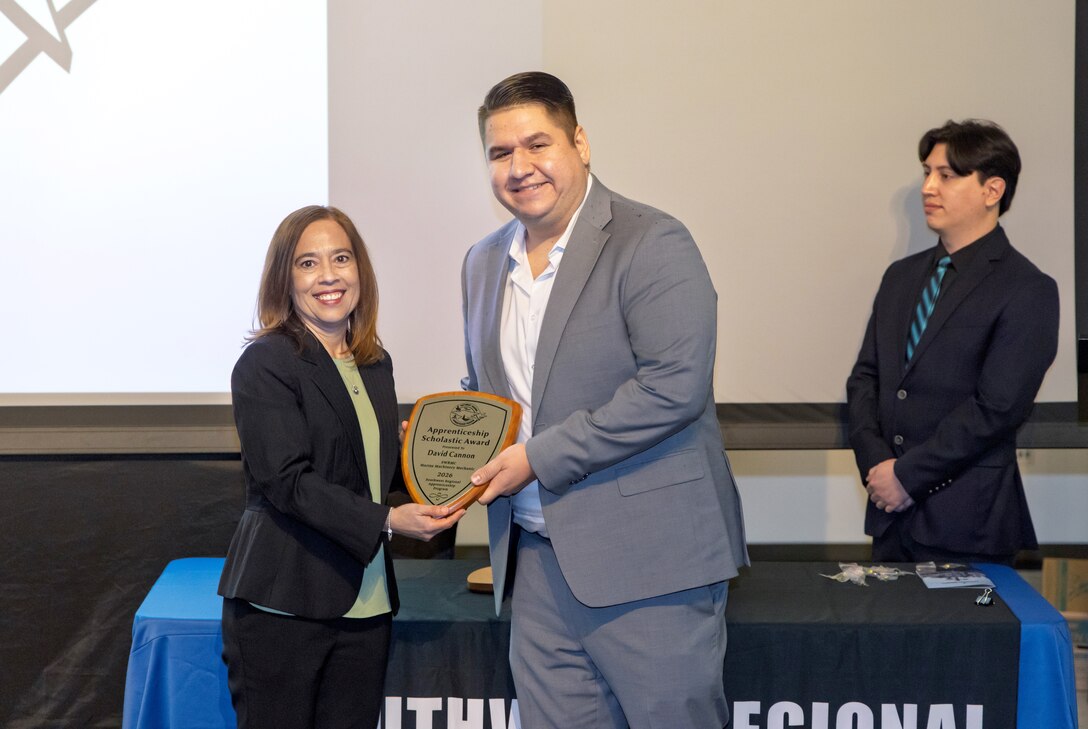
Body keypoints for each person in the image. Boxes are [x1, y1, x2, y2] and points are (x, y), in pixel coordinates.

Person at [461, 72, 749, 729]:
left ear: (580, 143)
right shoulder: (482, 262)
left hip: (651, 563)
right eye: (501, 153)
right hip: (535, 560)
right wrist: (442, 451)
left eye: (538, 144)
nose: (520, 166)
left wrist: (536, 457)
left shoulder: (651, 241)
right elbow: (491, 395)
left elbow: (673, 384)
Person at [218, 205, 463, 729]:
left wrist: (421, 458)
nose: (328, 276)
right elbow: (287, 482)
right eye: (307, 263)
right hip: (284, 602)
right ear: (284, 279)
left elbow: (361, 472)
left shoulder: (374, 362)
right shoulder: (266, 363)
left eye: (341, 258)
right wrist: (389, 520)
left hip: (367, 604)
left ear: (361, 272)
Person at [846, 120, 1059, 566]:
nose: (928, 187)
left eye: (946, 175)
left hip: (970, 526)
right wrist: (879, 470)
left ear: (992, 189)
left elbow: (997, 408)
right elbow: (866, 379)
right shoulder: (900, 277)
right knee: (888, 633)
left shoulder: (1027, 288)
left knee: (971, 634)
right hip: (890, 518)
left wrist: (906, 476)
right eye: (927, 172)